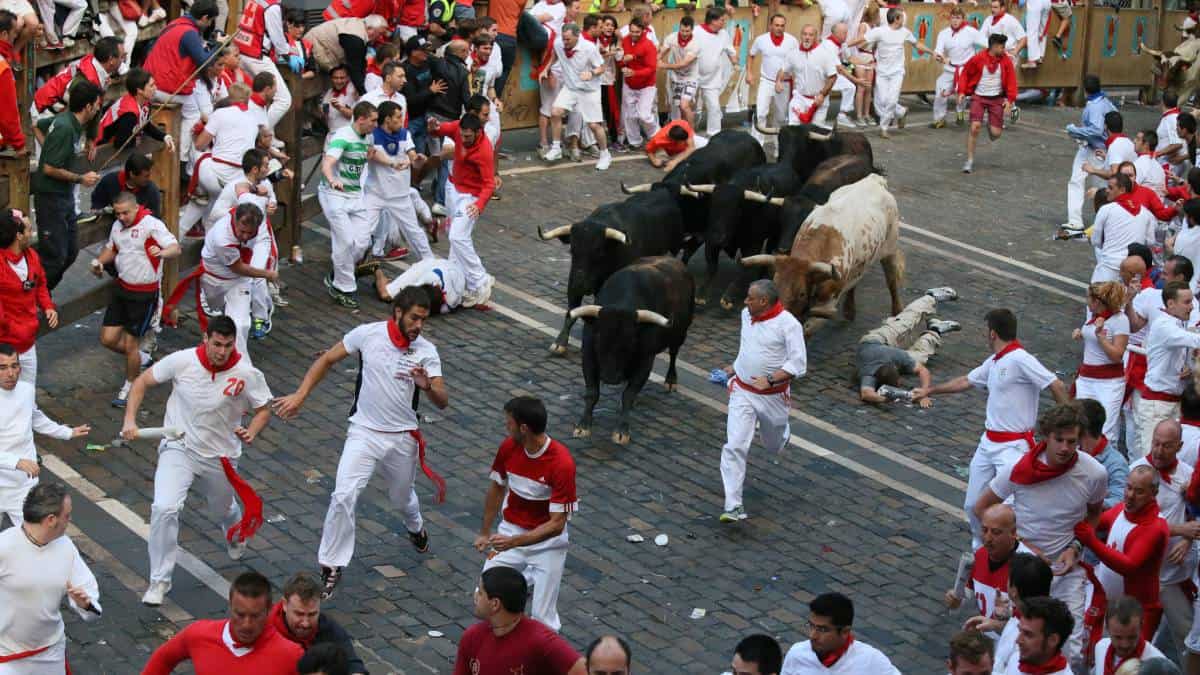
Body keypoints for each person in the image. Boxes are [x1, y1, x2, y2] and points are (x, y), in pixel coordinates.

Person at [272, 286, 448, 599]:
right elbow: (327, 359)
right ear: (397, 312)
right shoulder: (367, 335)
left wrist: (428, 387)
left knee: (402, 497)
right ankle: (331, 564)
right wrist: (300, 395)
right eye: (415, 318)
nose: (419, 325)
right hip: (364, 433)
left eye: (424, 319)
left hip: (402, 438)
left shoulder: (427, 351)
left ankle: (416, 526)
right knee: (343, 494)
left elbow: (442, 400)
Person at [121, 316, 273, 606]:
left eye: (228, 345)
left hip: (221, 457)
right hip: (179, 448)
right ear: (206, 338)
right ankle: (159, 581)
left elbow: (263, 409)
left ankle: (232, 527)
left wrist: (251, 431)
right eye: (217, 344)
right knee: (164, 508)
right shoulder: (182, 361)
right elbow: (141, 382)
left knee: (222, 509)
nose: (221, 351)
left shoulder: (247, 374)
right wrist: (129, 419)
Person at [911, 309, 1069, 547]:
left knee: (1017, 506)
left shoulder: (1020, 359)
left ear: (992, 333)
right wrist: (930, 390)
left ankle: (1015, 555)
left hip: (1013, 448)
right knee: (972, 505)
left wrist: (1069, 423)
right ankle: (981, 552)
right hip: (988, 445)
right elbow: (966, 381)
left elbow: (1055, 384)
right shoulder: (995, 362)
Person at [975, 404, 1108, 664]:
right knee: (1013, 644)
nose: (1065, 448)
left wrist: (1076, 547)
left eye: (1072, 441)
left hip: (1066, 572)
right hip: (1025, 573)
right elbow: (982, 507)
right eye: (1059, 440)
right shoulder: (1018, 469)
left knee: (1070, 651)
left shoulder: (1094, 474)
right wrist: (1019, 543)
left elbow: (1094, 514)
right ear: (1046, 436)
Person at [473, 396, 577, 632]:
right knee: (485, 600)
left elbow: (556, 525)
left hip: (547, 544)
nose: (505, 427)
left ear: (524, 428)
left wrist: (513, 543)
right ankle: (525, 581)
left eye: (508, 423)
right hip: (511, 533)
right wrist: (485, 532)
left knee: (543, 621)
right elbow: (497, 487)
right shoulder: (508, 448)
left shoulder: (561, 464)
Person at [718, 279, 807, 523]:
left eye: (750, 298)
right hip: (742, 393)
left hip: (773, 398)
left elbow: (798, 364)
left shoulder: (789, 325)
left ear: (764, 302)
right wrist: (734, 367)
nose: (745, 301)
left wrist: (769, 379)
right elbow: (747, 346)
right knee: (734, 445)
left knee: (773, 445)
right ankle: (733, 505)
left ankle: (783, 434)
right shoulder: (746, 315)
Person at [91, 192, 180, 407]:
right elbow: (111, 248)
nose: (121, 217)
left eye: (125, 213)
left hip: (144, 295)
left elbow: (175, 248)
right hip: (122, 290)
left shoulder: (151, 225)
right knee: (108, 339)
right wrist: (99, 263)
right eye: (118, 213)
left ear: (136, 207)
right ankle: (141, 357)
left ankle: (130, 385)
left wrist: (161, 253)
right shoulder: (117, 226)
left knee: (130, 344)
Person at [0, 484, 101, 671]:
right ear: (51, 520)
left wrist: (84, 604)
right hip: (6, 656)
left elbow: (89, 598)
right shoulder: (4, 547)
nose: (69, 520)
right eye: (67, 516)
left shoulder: (66, 548)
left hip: (49, 653)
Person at [1075, 465, 1170, 639]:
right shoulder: (1121, 509)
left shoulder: (1156, 527)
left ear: (1154, 493)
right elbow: (1092, 523)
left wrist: (1091, 541)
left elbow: (1129, 565)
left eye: (1139, 492)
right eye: (1129, 487)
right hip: (1106, 604)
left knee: (1131, 664)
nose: (1130, 495)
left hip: (1136, 613)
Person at [143, 571, 303, 673]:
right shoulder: (198, 635)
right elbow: (163, 658)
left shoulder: (291, 655)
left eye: (255, 616)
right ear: (230, 606)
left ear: (269, 610)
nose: (247, 624)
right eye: (240, 615)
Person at [0, 345, 88, 526]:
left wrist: (67, 432)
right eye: (3, 368)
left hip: (22, 485)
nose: (10, 373)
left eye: (14, 366)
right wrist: (16, 462)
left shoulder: (26, 391)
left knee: (34, 537)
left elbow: (36, 418)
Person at [1130, 420, 1197, 650]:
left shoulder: (1188, 475)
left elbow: (1194, 517)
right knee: (1137, 639)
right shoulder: (1138, 474)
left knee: (1186, 635)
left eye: (1166, 446)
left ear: (1179, 446)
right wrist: (1181, 530)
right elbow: (1135, 525)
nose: (1158, 450)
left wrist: (1188, 540)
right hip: (1144, 574)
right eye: (1155, 443)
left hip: (1174, 574)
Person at [32, 79, 103, 291]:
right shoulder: (64, 127)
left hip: (65, 198)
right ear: (88, 107)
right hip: (51, 198)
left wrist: (50, 148)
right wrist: (81, 179)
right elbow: (49, 169)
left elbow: (38, 126)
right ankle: (34, 298)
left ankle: (41, 295)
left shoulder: (68, 121)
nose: (99, 108)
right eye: (97, 105)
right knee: (55, 257)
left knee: (71, 252)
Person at [453, 567, 586, 674]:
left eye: (481, 592)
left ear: (495, 604)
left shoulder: (541, 641)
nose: (475, 595)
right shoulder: (472, 637)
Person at [429, 113, 496, 307]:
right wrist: (434, 127)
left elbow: (489, 184)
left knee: (457, 237)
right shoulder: (459, 128)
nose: (464, 139)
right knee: (456, 237)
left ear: (478, 132)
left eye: (468, 137)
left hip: (471, 198)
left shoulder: (484, 151)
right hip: (454, 190)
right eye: (462, 135)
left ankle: (480, 280)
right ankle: (458, 284)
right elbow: (439, 130)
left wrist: (479, 205)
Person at [181, 82, 267, 235]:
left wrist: (197, 132)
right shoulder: (254, 119)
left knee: (201, 154)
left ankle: (198, 191)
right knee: (213, 218)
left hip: (214, 175)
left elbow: (200, 144)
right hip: (238, 181)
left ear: (230, 98)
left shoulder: (220, 114)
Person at [196, 202, 278, 357]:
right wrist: (266, 274)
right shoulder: (223, 238)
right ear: (235, 220)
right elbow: (238, 267)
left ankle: (239, 363)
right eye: (242, 231)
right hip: (214, 279)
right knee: (216, 310)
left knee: (241, 324)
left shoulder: (258, 225)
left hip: (238, 281)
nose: (245, 237)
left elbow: (262, 244)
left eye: (250, 233)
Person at [321, 101, 378, 310]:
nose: (375, 124)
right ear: (361, 119)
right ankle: (343, 287)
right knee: (345, 240)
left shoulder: (368, 137)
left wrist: (387, 161)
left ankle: (339, 271)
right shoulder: (343, 136)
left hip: (355, 196)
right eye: (373, 120)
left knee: (362, 242)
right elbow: (327, 162)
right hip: (334, 195)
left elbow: (368, 154)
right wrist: (331, 179)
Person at [855, 291, 959, 404]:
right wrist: (888, 398)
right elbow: (866, 394)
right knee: (920, 357)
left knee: (905, 322)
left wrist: (924, 392)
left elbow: (923, 371)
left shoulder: (896, 355)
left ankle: (931, 297)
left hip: (878, 339)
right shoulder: (868, 373)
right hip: (875, 353)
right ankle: (936, 329)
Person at [1134, 281, 1200, 457]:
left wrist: (1188, 367)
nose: (1192, 307)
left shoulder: (1177, 323)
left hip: (1172, 403)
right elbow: (1194, 340)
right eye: (1186, 302)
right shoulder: (1164, 325)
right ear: (1171, 304)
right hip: (1157, 406)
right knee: (1153, 459)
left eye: (1191, 301)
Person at [943, 504, 1031, 628]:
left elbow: (1035, 621)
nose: (988, 538)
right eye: (984, 530)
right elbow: (970, 595)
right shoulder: (979, 556)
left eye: (996, 532)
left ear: (1013, 533)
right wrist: (957, 600)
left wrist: (998, 625)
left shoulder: (1029, 569)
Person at [366, 100, 431, 263]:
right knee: (363, 231)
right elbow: (372, 154)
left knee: (414, 232)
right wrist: (392, 162)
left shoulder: (404, 134)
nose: (402, 120)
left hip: (400, 196)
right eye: (398, 117)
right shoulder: (372, 136)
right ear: (387, 119)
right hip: (375, 194)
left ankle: (430, 263)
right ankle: (350, 265)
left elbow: (412, 156)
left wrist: (418, 160)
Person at [0, 210, 57, 385]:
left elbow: (40, 283)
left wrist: (48, 306)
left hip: (27, 342)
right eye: (29, 230)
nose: (32, 234)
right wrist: (13, 327)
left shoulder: (32, 256)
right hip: (5, 344)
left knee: (27, 390)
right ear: (18, 235)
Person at [268, 573, 367, 673]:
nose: (305, 623)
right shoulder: (263, 629)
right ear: (285, 604)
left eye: (312, 614)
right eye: (299, 614)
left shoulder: (327, 627)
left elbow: (353, 663)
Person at [780, 592, 899, 674]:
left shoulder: (872, 661)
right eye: (811, 626)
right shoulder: (797, 654)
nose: (812, 635)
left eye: (822, 630)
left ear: (845, 632)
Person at [858, 9, 933, 138]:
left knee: (891, 100)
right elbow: (864, 43)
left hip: (897, 72)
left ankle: (884, 128)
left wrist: (932, 52)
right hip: (882, 71)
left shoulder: (905, 32)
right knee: (881, 101)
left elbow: (917, 45)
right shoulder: (880, 31)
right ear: (896, 19)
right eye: (902, 17)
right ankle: (901, 112)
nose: (904, 19)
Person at [978, 552, 1054, 672]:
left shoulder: (1023, 641)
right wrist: (999, 624)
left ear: (1014, 591)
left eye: (1009, 578)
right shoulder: (1047, 619)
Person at [1073, 282, 1131, 438]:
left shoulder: (1120, 320)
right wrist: (1082, 334)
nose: (1087, 301)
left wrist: (1101, 338)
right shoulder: (1094, 318)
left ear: (1096, 302)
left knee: (1105, 431)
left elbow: (1117, 355)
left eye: (1088, 298)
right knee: (1081, 425)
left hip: (1108, 384)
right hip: (1086, 380)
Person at [957, 33, 1017, 174]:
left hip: (997, 99)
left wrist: (1010, 100)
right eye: (1002, 47)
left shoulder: (1006, 61)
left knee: (995, 134)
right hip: (978, 97)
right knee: (974, 127)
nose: (1004, 49)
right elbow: (965, 74)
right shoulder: (978, 59)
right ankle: (969, 160)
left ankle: (991, 123)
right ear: (994, 47)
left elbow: (1011, 81)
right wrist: (961, 92)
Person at [1064, 75, 1117, 231]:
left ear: (1085, 90)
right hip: (1095, 148)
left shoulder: (1095, 106)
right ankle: (1087, 220)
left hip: (1096, 149)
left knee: (1098, 186)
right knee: (1081, 181)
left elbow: (1095, 130)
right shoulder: (1106, 102)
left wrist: (1074, 130)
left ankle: (1092, 221)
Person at [143, 0, 220, 105]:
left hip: (151, 83)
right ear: (204, 17)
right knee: (199, 106)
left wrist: (211, 43)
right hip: (162, 88)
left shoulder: (176, 23)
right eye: (210, 20)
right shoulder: (189, 33)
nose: (210, 24)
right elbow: (204, 63)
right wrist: (218, 44)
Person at [232, 0, 293, 128]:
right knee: (283, 100)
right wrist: (289, 54)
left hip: (242, 51)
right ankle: (259, 134)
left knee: (258, 97)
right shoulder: (273, 7)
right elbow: (277, 39)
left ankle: (267, 137)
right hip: (256, 55)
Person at [1090, 174, 1155, 283]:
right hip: (1130, 272)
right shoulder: (1146, 213)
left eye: (1111, 188)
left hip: (1108, 268)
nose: (1106, 190)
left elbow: (1095, 241)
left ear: (1122, 190)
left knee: (1097, 298)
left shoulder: (1106, 209)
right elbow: (1150, 242)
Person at [306, 16, 390, 95]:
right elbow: (354, 68)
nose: (380, 37)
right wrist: (363, 94)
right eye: (380, 33)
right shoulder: (355, 39)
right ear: (370, 29)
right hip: (315, 47)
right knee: (333, 80)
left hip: (322, 46)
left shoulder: (360, 28)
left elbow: (361, 62)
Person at [96, 69, 174, 152]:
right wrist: (134, 141)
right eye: (151, 86)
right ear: (139, 90)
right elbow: (120, 143)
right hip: (103, 148)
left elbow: (145, 125)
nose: (156, 88)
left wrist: (165, 137)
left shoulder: (144, 103)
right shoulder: (129, 114)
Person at [748, 14, 796, 144]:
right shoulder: (761, 40)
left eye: (782, 25)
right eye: (776, 25)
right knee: (761, 113)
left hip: (784, 83)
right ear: (770, 25)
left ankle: (778, 145)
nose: (779, 28)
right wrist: (749, 73)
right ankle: (756, 145)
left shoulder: (792, 41)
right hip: (766, 81)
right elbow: (751, 55)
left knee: (780, 117)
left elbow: (796, 61)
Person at [613, 17, 654, 163]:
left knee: (644, 115)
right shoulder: (625, 41)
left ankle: (655, 136)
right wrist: (621, 64)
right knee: (629, 115)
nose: (634, 34)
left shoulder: (649, 46)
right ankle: (635, 142)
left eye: (637, 31)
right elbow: (620, 60)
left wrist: (635, 72)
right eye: (632, 31)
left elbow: (652, 69)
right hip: (630, 84)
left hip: (646, 85)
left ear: (643, 30)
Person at [1075, 399, 1127, 510]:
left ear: (1083, 430)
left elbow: (1120, 500)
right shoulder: (1070, 451)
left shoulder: (1116, 463)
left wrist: (1082, 503)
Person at [1093, 597, 1166, 675]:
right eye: (1118, 637)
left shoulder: (1158, 665)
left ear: (1141, 627)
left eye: (1132, 637)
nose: (1125, 645)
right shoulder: (1100, 648)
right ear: (1107, 628)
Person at [694, 7, 736, 138]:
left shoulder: (724, 34)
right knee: (687, 106)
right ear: (713, 20)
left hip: (712, 78)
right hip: (693, 76)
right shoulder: (696, 32)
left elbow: (731, 51)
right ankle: (686, 134)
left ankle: (714, 135)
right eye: (722, 20)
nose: (724, 22)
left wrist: (735, 62)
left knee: (714, 107)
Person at [372, 256, 465, 312]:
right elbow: (404, 294)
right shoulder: (430, 277)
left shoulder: (447, 306)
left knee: (387, 296)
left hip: (454, 272)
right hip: (432, 265)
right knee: (387, 294)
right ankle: (377, 271)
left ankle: (376, 270)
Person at [1011, 597, 1073, 675]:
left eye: (1028, 634)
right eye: (1020, 631)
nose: (1018, 640)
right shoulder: (1016, 658)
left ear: (1053, 640)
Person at [659, 15, 700, 130]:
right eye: (682, 30)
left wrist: (664, 65)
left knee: (684, 105)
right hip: (676, 78)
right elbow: (662, 52)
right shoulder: (672, 38)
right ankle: (683, 131)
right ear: (679, 28)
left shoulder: (695, 44)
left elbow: (683, 64)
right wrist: (656, 59)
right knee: (679, 107)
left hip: (690, 77)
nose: (684, 33)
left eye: (687, 31)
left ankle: (692, 133)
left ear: (692, 30)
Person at [90, 154, 163, 217]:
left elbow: (155, 216)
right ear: (132, 174)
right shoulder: (109, 182)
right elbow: (97, 203)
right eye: (146, 176)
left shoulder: (151, 190)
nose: (149, 178)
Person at [978, 0, 1027, 64]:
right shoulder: (988, 19)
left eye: (995, 7)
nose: (992, 9)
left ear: (1002, 8)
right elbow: (980, 37)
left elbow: (1023, 38)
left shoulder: (1010, 20)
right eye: (992, 7)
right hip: (993, 55)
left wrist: (1015, 51)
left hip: (1008, 55)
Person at [1157, 92, 1184, 176]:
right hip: (1168, 163)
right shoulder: (1172, 116)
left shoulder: (1172, 118)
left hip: (1169, 164)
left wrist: (1157, 154)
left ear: (1162, 102)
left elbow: (1177, 143)